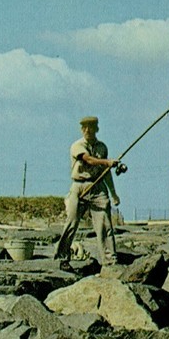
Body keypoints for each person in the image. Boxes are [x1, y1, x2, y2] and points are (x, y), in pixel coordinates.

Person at [55, 116, 123, 270]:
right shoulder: (77, 146)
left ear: (96, 129)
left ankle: (110, 261)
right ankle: (63, 258)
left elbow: (106, 172)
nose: (87, 130)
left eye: (90, 127)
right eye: (84, 127)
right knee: (71, 222)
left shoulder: (102, 147)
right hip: (79, 187)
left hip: (98, 188)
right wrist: (107, 162)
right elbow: (88, 160)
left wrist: (113, 194)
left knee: (105, 225)